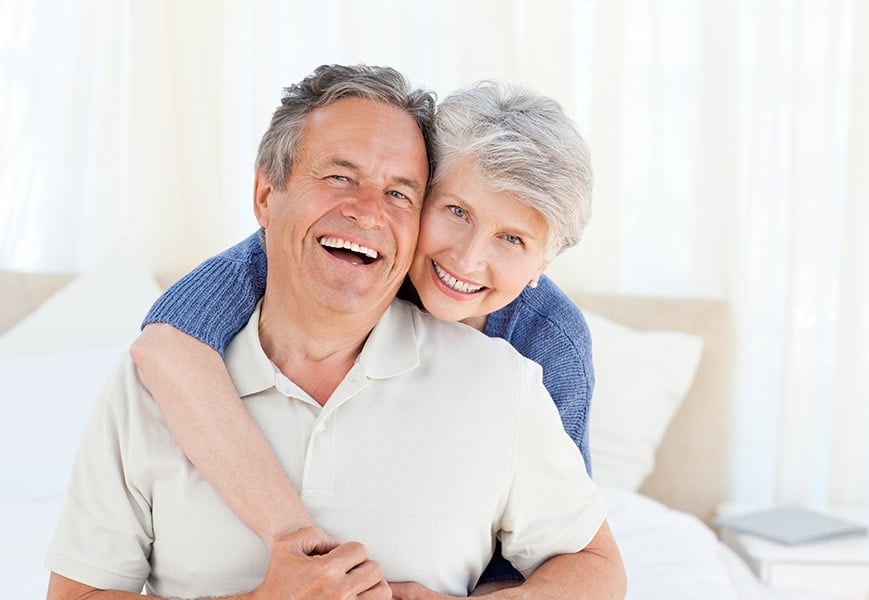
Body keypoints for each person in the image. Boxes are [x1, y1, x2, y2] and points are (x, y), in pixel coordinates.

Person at [45, 64, 626, 600]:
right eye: (455, 212)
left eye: (514, 240)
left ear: (542, 265)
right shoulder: (243, 297)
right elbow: (169, 338)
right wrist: (298, 558)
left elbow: (574, 556)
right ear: (267, 198)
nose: (468, 260)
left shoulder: (532, 361)